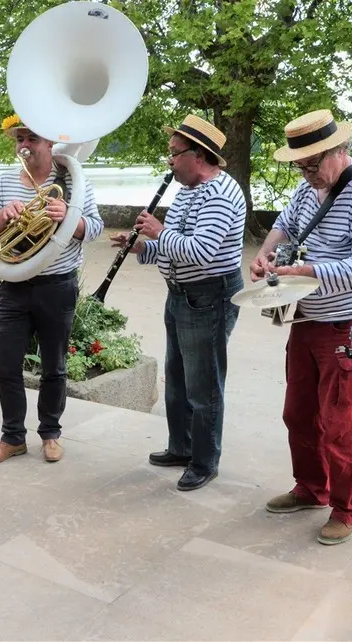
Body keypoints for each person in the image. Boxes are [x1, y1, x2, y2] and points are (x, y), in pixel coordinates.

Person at [252, 109, 352, 543]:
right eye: (299, 165)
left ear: (339, 150)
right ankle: (311, 488)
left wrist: (300, 272)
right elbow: (285, 224)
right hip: (307, 316)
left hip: (348, 324)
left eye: (312, 164)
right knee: (298, 412)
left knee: (342, 422)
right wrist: (267, 254)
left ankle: (347, 508)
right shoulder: (307, 186)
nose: (306, 173)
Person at [111, 114, 246, 492]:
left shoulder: (220, 194)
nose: (169, 161)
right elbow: (177, 248)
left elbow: (201, 253)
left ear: (198, 156)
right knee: (178, 380)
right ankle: (181, 447)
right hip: (181, 294)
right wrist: (142, 246)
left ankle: (205, 462)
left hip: (209, 296)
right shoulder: (189, 189)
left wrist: (160, 231)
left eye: (174, 154)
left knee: (204, 387)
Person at [0, 114, 104, 465]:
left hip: (57, 285)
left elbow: (95, 228)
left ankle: (50, 433)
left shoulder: (75, 182)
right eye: (19, 139)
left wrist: (70, 217)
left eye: (31, 138)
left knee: (54, 366)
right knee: (5, 364)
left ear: (49, 142)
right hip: (13, 285)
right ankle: (12, 437)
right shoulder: (5, 182)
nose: (24, 145)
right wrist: (3, 216)